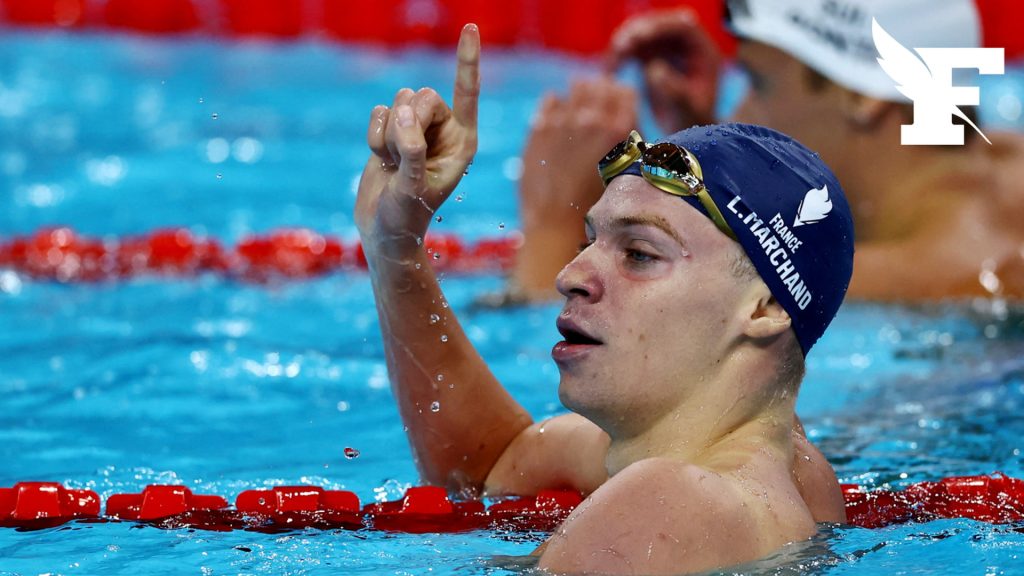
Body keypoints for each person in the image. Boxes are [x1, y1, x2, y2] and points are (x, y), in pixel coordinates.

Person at [356, 24, 856, 574]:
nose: (570, 275)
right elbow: (492, 462)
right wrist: (395, 248)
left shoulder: (663, 506)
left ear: (765, 310)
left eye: (640, 254)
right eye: (588, 242)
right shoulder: (795, 474)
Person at [511, 0, 1024, 302]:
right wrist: (703, 135)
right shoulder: (995, 165)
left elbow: (569, 380)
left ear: (865, 95)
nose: (742, 114)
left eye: (758, 82)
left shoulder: (944, 278)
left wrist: (554, 223)